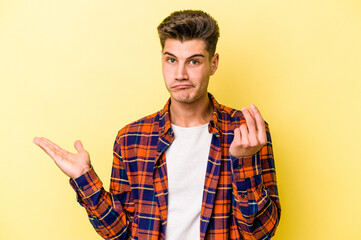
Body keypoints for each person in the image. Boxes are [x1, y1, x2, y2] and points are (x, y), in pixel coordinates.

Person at [33, 10, 281, 240]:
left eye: (194, 61)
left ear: (213, 63)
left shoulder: (246, 132)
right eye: (171, 60)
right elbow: (120, 233)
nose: (180, 73)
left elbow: (260, 233)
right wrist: (84, 179)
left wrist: (245, 162)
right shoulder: (131, 139)